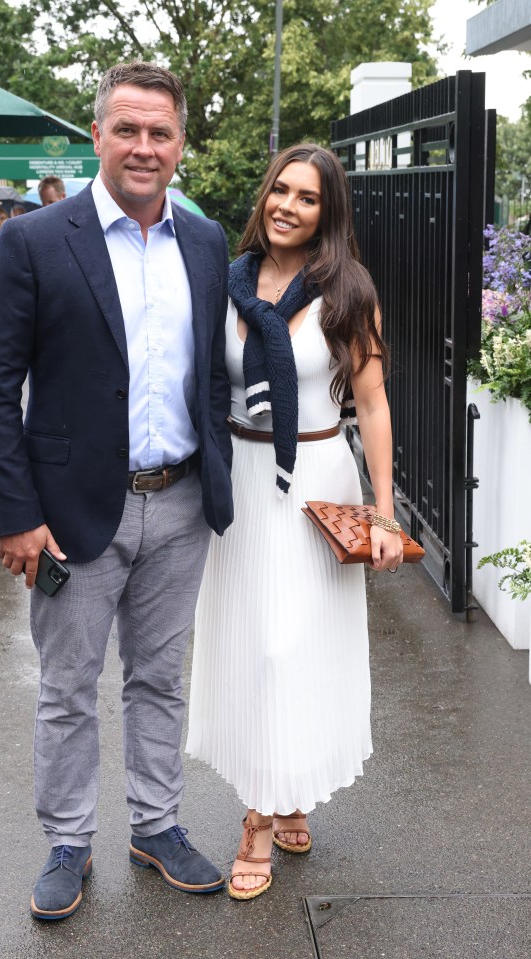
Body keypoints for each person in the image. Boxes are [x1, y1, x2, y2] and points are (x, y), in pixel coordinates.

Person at [0, 60, 233, 920]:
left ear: (180, 142)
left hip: (183, 502)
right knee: (67, 685)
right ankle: (68, 840)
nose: (144, 147)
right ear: (97, 136)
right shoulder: (34, 241)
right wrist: (14, 512)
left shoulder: (204, 242)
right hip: (71, 515)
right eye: (127, 129)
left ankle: (155, 824)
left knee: (160, 679)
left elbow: (214, 379)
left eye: (160, 132)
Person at [186, 142, 403, 900]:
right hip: (241, 483)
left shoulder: (347, 290)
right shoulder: (226, 281)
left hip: (314, 481)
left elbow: (370, 403)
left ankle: (260, 814)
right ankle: (276, 797)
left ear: (326, 212)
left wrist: (382, 509)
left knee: (293, 650)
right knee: (253, 647)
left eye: (307, 197)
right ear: (264, 196)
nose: (287, 205)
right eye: (280, 189)